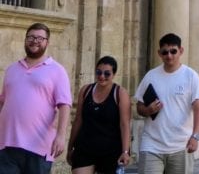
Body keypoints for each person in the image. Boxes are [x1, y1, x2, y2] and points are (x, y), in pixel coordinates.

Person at [0, 22, 72, 174]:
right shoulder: (12, 69)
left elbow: (64, 105)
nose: (35, 41)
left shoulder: (57, 70)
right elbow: (3, 102)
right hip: (7, 144)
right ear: (25, 40)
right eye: (31, 37)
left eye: (40, 38)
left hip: (39, 147)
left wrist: (60, 136)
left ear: (47, 42)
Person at [135, 33, 199, 174]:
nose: (169, 56)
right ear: (159, 53)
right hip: (151, 145)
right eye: (165, 52)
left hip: (181, 146)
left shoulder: (191, 76)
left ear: (181, 51)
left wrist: (195, 136)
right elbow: (139, 106)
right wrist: (148, 110)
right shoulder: (151, 76)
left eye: (173, 51)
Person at [68, 56, 131, 174]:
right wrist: (70, 147)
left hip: (110, 150)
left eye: (107, 74)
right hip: (85, 147)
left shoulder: (120, 94)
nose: (102, 76)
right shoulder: (85, 90)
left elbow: (124, 124)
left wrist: (125, 151)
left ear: (114, 74)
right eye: (99, 72)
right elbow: (78, 120)